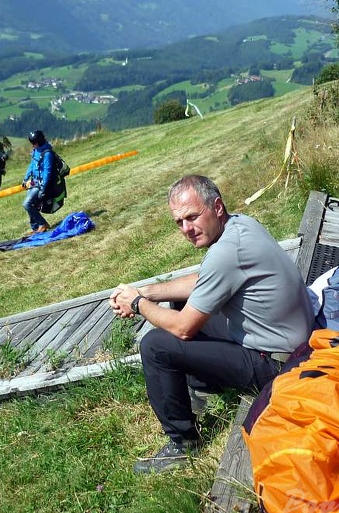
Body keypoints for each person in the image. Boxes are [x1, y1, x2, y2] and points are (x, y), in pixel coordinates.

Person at [109, 175, 314, 474]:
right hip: (287, 340)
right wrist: (147, 292)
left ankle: (182, 444)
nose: (187, 229)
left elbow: (183, 329)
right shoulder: (241, 226)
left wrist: (139, 304)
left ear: (217, 207)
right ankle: (204, 384)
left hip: (278, 364)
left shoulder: (225, 252)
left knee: (155, 345)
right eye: (179, 222)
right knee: (181, 302)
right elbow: (203, 282)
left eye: (192, 217)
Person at [22, 130, 55, 234]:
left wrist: (43, 188)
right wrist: (25, 178)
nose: (32, 145)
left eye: (33, 143)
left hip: (41, 184)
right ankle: (35, 228)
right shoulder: (36, 150)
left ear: (39, 142)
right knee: (32, 204)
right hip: (34, 181)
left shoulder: (47, 154)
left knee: (27, 204)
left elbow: (47, 172)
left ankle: (42, 224)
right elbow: (32, 165)